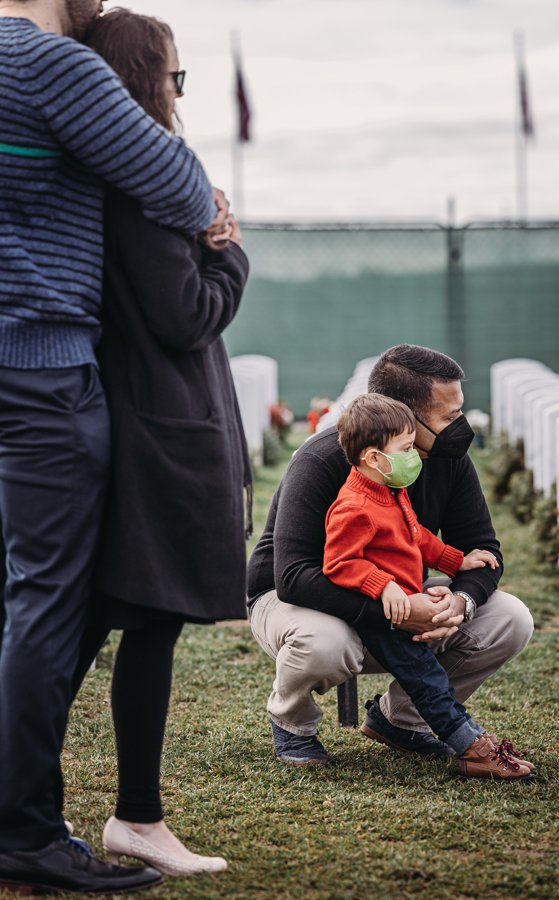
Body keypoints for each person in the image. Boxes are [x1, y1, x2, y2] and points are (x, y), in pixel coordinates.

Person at [0, 0, 227, 894]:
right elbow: (179, 186)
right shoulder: (52, 64)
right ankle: (22, 831)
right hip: (43, 370)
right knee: (45, 605)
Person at [69, 7, 251, 877]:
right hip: (157, 429)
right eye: (176, 74)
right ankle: (136, 817)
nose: (182, 92)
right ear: (148, 78)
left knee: (79, 628)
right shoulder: (149, 180)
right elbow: (185, 317)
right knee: (136, 624)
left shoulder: (97, 170)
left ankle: (106, 811)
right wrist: (230, 255)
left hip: (130, 417)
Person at [247, 344, 535, 767]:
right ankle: (293, 724)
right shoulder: (322, 460)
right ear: (401, 417)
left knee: (510, 618)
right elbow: (293, 576)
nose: (461, 426)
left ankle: (401, 720)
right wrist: (394, 608)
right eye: (449, 416)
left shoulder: (445, 457)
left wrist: (459, 600)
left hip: (398, 596)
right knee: (326, 642)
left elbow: (480, 548)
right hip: (299, 602)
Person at [323, 393, 534, 780]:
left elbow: (417, 537)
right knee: (429, 681)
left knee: (428, 678)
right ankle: (472, 748)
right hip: (383, 615)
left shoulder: (391, 491)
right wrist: (383, 586)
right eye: (404, 449)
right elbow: (338, 563)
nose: (413, 456)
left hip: (408, 601)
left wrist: (459, 561)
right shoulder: (353, 507)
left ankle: (442, 735)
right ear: (373, 457)